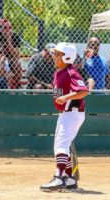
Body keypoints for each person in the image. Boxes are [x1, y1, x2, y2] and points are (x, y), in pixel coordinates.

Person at [40, 43, 89, 191]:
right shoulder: (59, 72)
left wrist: (66, 97)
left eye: (57, 54)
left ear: (66, 57)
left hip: (73, 112)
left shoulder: (71, 72)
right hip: (66, 113)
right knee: (61, 146)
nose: (54, 56)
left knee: (61, 145)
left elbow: (84, 91)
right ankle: (69, 179)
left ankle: (59, 178)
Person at [0, 19, 22, 89]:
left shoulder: (15, 36)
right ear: (1, 28)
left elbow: (17, 55)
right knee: (2, 62)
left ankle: (17, 85)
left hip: (11, 60)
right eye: (5, 28)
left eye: (10, 27)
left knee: (18, 64)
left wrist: (9, 41)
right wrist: (2, 57)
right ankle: (4, 85)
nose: (8, 29)